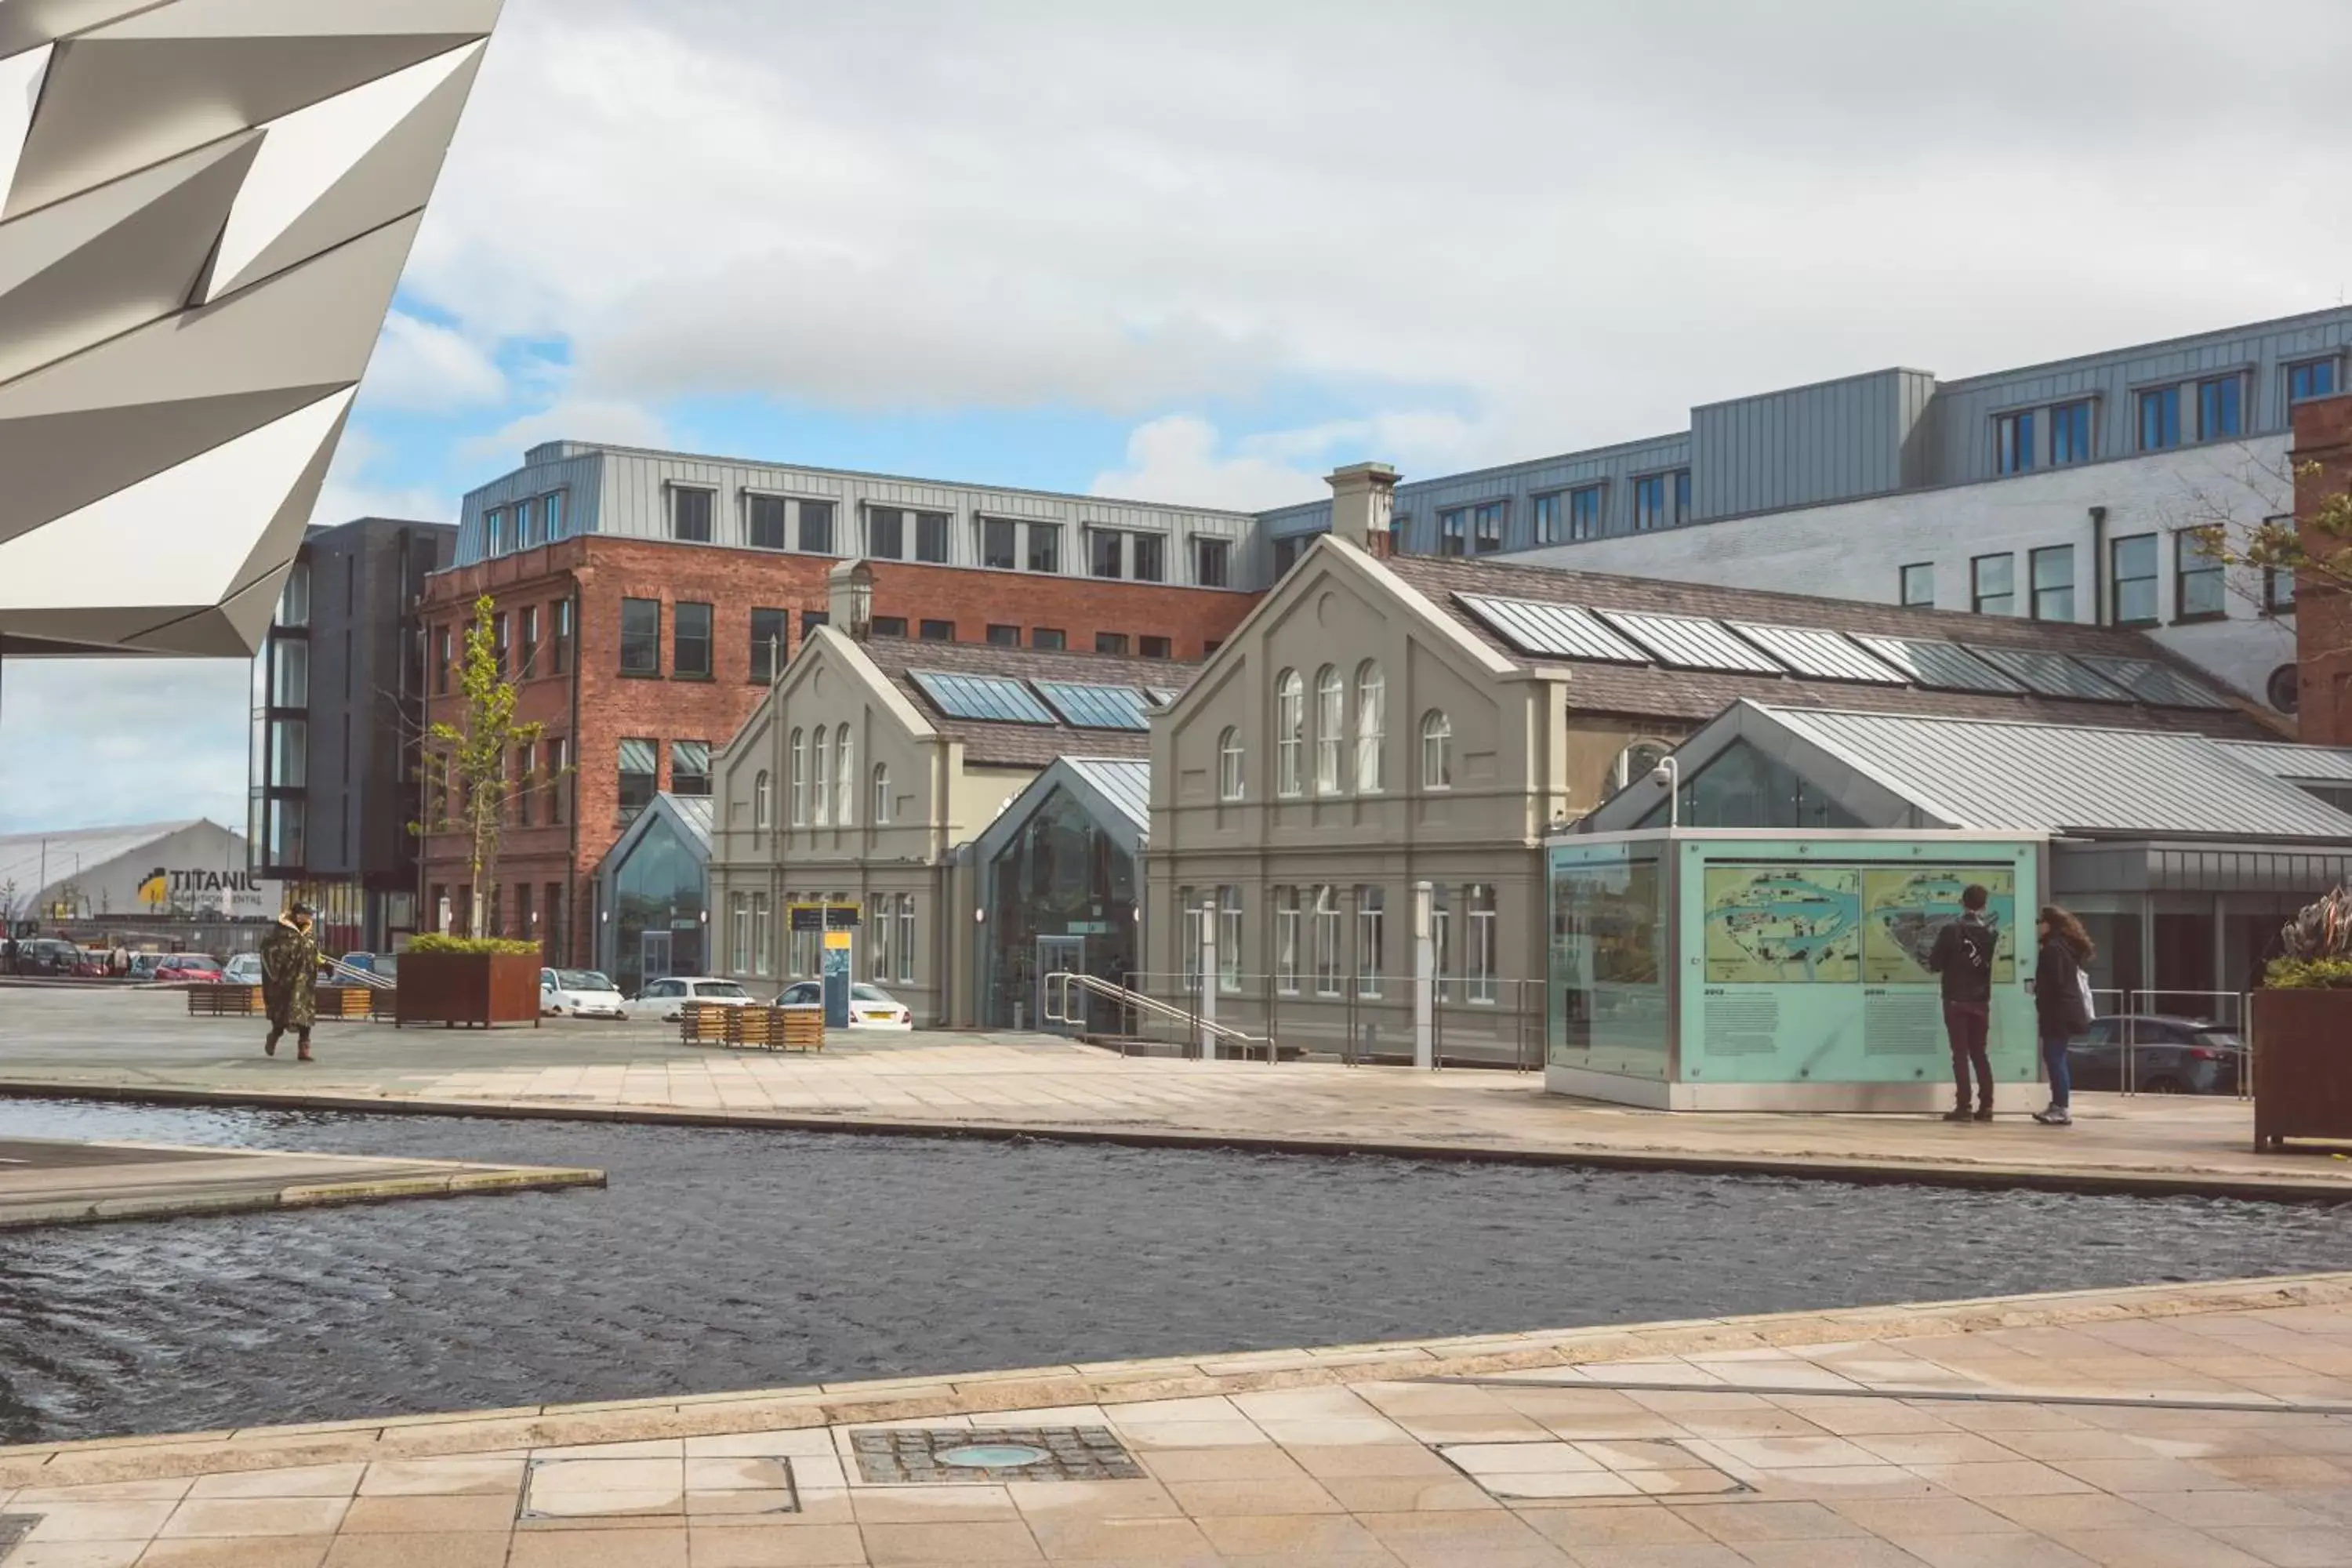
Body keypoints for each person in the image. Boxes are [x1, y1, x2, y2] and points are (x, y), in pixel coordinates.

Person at [1927, 884, 2000, 1122]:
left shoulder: (1951, 930)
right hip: (1981, 1001)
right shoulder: (1991, 933)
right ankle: (1987, 1105)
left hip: (1956, 999)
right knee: (1980, 1053)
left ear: (1962, 903)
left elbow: (1935, 963)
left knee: (1960, 1054)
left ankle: (1964, 1106)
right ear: (1985, 905)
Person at [2031, 906, 2096, 1126]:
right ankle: (2058, 1105)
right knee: (2056, 1058)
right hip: (2064, 1011)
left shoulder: (2053, 949)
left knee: (2055, 1058)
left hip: (2057, 1013)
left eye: (2040, 921)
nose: (2038, 926)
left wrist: (2039, 992)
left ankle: (2061, 1107)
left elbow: (2055, 983)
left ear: (2049, 924)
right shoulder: (2065, 948)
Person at [260, 902, 322, 1062]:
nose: (308, 917)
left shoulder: (309, 932)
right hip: (286, 982)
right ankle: (274, 1036)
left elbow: (313, 949)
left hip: (305, 982)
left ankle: (304, 1050)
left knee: (305, 1018)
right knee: (283, 1016)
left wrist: (317, 958)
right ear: (296, 914)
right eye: (305, 914)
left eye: (309, 914)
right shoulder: (281, 931)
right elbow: (269, 951)